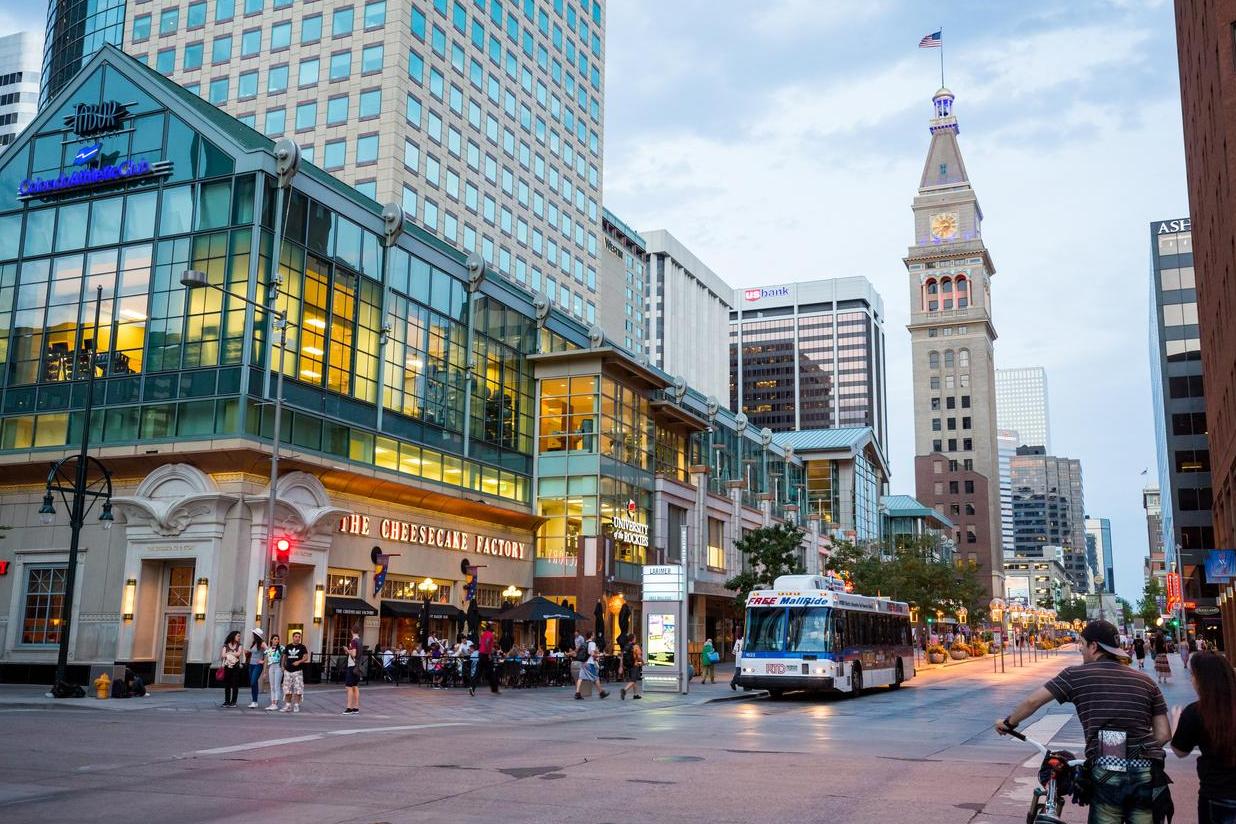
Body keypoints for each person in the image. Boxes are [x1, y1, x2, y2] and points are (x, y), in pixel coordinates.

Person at [995, 620, 1172, 824]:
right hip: (1147, 771)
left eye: (1082, 643)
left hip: (1108, 768)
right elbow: (1164, 735)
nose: (1080, 649)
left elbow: (1033, 701)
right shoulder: (1146, 681)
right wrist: (1134, 753)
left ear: (1094, 646)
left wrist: (1009, 723)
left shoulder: (1075, 675)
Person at [1171, 652, 1236, 824]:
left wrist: (1176, 723)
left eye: (1193, 675)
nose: (1191, 680)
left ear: (1203, 680)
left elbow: (1180, 751)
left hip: (1216, 793)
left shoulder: (1196, 712)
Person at [282, 630, 308, 712]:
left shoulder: (302, 647)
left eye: (299, 637)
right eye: (296, 637)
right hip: (288, 670)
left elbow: (306, 657)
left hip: (297, 671)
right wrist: (282, 666)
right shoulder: (288, 646)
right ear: (293, 637)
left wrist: (299, 661)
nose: (297, 638)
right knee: (287, 688)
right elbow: (284, 656)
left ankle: (296, 705)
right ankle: (288, 705)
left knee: (298, 688)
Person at [220, 630, 246, 708]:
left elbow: (238, 653)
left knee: (235, 684)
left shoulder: (239, 645)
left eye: (239, 636)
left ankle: (233, 702)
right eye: (237, 636)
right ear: (233, 636)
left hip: (236, 667)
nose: (239, 637)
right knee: (227, 684)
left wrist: (229, 653)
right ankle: (227, 701)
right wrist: (232, 653)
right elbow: (223, 655)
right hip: (227, 666)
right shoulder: (226, 645)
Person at [475, 622, 499, 696]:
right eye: (493, 626)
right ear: (491, 627)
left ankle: (472, 687)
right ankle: (494, 689)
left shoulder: (483, 633)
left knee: (479, 672)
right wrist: (489, 653)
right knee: (491, 672)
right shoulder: (490, 634)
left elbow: (481, 642)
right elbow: (487, 642)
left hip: (481, 653)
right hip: (486, 654)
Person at [343, 626, 362, 715]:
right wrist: (349, 651)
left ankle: (349, 707)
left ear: (351, 631)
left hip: (352, 665)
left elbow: (354, 654)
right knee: (355, 686)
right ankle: (356, 707)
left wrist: (347, 650)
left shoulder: (354, 641)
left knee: (349, 687)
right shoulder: (360, 641)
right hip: (357, 666)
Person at [246, 628, 267, 708]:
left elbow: (268, 652)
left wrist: (263, 661)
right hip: (251, 664)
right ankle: (254, 701)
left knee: (253, 681)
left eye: (253, 634)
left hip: (258, 665)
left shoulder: (262, 643)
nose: (252, 635)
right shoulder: (254, 643)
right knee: (253, 683)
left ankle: (254, 701)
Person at [263, 633, 284, 711]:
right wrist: (265, 672)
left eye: (277, 639)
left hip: (278, 666)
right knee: (271, 686)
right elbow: (265, 661)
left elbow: (284, 657)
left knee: (276, 685)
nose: (276, 640)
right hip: (271, 667)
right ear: (271, 640)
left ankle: (276, 703)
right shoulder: (268, 650)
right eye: (275, 639)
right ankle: (272, 703)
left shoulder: (281, 648)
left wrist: (282, 666)